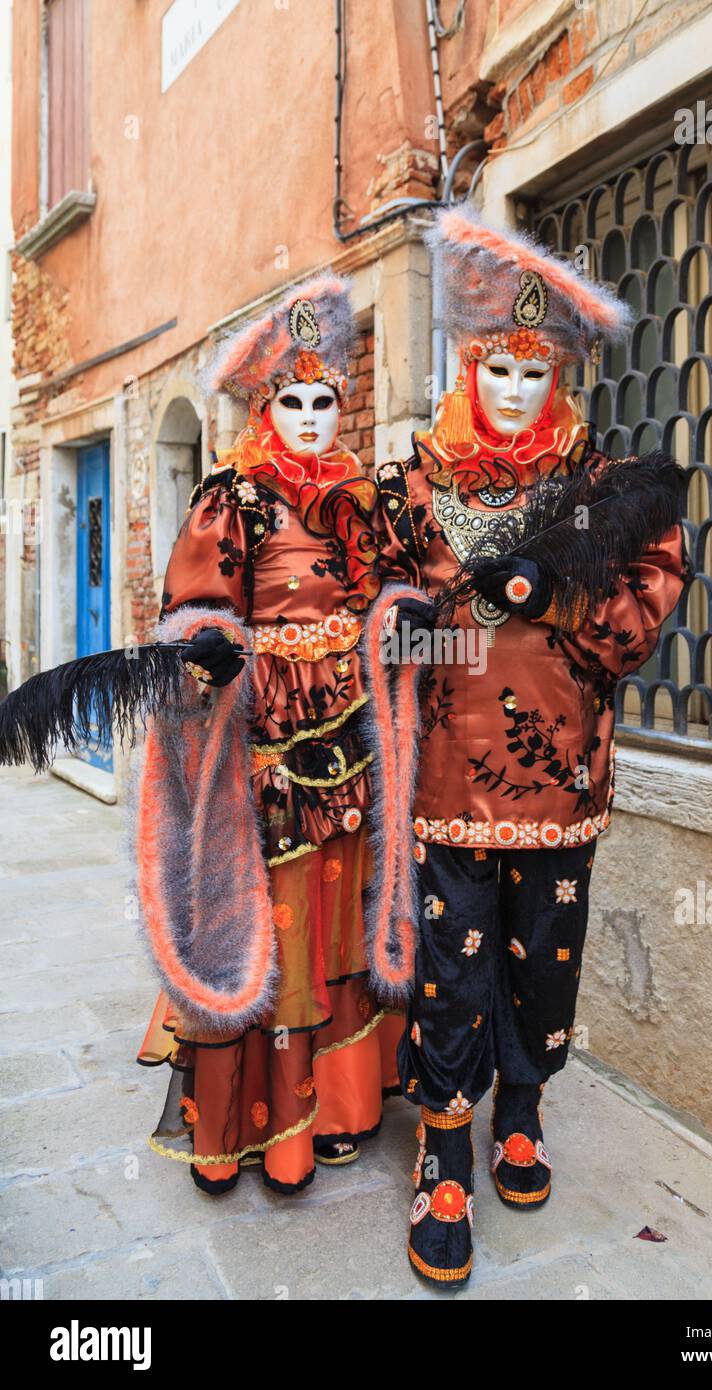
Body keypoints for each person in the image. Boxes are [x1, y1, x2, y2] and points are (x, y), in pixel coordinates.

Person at [367, 208, 689, 1285]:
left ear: (557, 378)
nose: (513, 391)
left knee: (541, 962)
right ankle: (445, 1153)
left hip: (560, 777)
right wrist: (411, 620)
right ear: (470, 369)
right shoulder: (412, 481)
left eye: (533, 373)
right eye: (495, 371)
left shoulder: (606, 487)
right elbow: (366, 589)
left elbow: (647, 598)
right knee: (452, 972)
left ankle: (523, 1115)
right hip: (446, 777)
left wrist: (556, 594)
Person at [135, 275, 402, 1195]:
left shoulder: (360, 499)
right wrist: (209, 648)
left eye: (326, 399)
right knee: (278, 917)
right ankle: (271, 1128)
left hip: (350, 736)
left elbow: (385, 599)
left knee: (339, 911)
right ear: (263, 405)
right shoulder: (230, 500)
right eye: (291, 400)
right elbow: (196, 608)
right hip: (266, 744)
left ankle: (340, 1107)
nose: (312, 416)